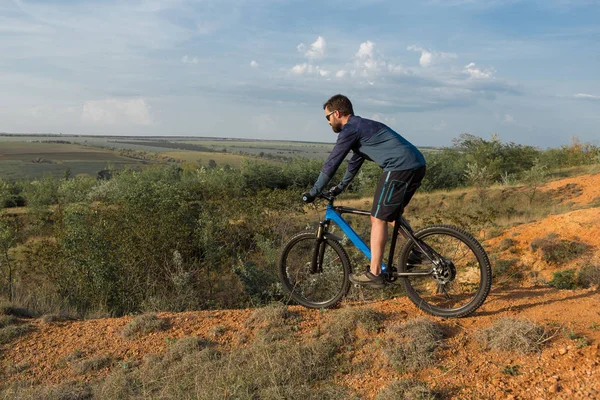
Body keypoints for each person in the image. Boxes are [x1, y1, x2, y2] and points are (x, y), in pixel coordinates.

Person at [302, 94, 426, 288]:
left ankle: (375, 273)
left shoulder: (350, 129)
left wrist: (314, 191)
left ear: (337, 113)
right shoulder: (362, 127)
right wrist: (340, 187)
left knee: (378, 218)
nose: (327, 122)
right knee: (390, 216)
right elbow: (354, 163)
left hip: (399, 167)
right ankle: (420, 252)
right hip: (416, 164)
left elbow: (332, 162)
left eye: (327, 117)